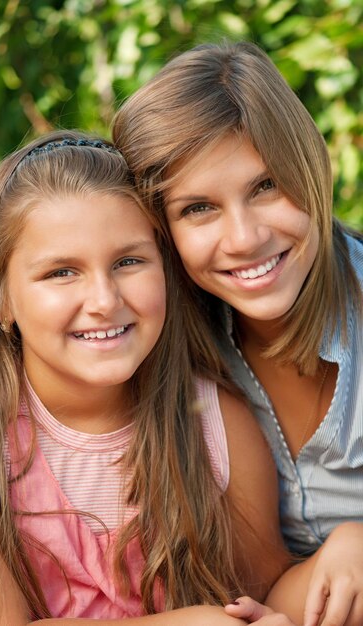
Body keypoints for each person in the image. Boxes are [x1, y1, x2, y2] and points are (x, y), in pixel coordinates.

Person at [0, 128, 299, 625]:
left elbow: (272, 591)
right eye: (61, 273)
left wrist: (347, 554)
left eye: (128, 262)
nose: (105, 301)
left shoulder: (215, 428)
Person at [112, 39, 363, 624]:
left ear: (310, 166)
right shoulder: (163, 339)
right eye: (198, 208)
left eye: (265, 186)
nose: (245, 237)